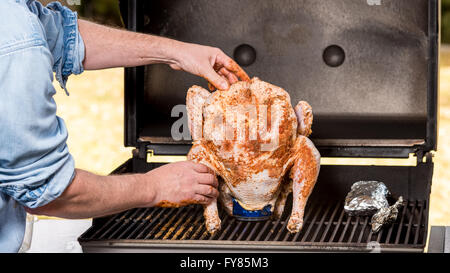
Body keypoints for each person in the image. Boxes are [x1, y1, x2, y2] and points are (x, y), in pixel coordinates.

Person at [0, 0, 249, 252]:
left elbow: (64, 35)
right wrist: (155, 187)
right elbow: (49, 193)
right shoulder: (14, 37)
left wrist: (176, 51)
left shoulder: (15, 15)